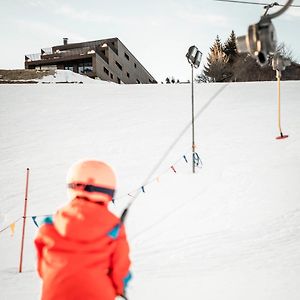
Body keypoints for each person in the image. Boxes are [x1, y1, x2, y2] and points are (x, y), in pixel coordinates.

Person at [34, 160, 131, 300]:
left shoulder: (51, 224)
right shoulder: (114, 227)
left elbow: (43, 268)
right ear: (110, 191)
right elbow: (120, 268)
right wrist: (120, 287)